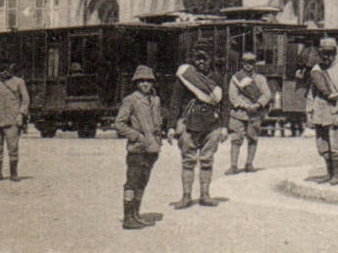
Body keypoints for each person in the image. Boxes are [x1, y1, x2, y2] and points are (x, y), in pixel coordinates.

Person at [169, 44, 227, 208]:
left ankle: (205, 195)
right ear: (193, 60)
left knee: (207, 160)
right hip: (189, 123)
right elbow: (176, 102)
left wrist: (224, 127)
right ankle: (186, 196)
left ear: (210, 60)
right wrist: (172, 126)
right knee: (188, 161)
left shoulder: (217, 79)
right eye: (198, 58)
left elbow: (225, 104)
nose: (201, 62)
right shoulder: (186, 77)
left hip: (212, 125)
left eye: (205, 58)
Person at [113, 66, 165, 230]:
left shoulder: (155, 100)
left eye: (148, 81)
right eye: (141, 81)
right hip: (137, 149)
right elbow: (119, 124)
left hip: (152, 149)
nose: (145, 84)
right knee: (132, 182)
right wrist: (136, 136)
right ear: (136, 83)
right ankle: (128, 216)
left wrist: (158, 139)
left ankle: (136, 213)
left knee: (142, 181)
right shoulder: (131, 100)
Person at [305, 36, 338, 186]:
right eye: (324, 53)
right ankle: (329, 173)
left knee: (336, 144)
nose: (327, 56)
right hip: (320, 113)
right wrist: (309, 113)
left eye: (330, 53)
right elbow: (311, 94)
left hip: (334, 112)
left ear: (335, 53)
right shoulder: (317, 71)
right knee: (323, 145)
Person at [225, 51, 271, 175]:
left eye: (251, 62)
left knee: (253, 138)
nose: (248, 65)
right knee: (236, 139)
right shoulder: (236, 78)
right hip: (239, 113)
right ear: (242, 63)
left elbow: (267, 94)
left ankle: (249, 164)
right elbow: (233, 96)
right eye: (246, 62)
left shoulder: (260, 79)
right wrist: (245, 106)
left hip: (254, 114)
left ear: (254, 64)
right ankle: (233, 165)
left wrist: (257, 105)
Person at [0, 61, 30, 182]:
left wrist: (21, 115)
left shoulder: (19, 82)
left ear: (12, 69)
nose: (4, 72)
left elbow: (25, 100)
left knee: (13, 147)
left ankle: (14, 173)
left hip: (12, 120)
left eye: (7, 69)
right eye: (2, 69)